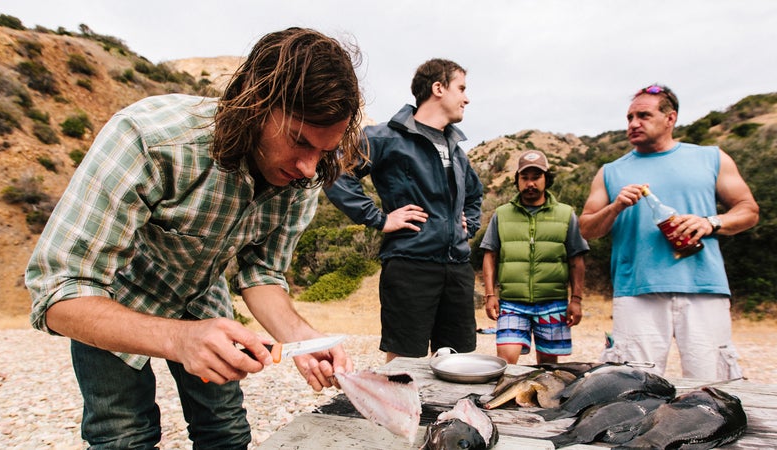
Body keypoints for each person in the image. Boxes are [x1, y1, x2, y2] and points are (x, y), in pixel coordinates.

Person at [25, 27, 363, 448]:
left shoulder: (301, 176)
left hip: (201, 295)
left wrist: (304, 340)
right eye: (299, 141)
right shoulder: (149, 138)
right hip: (109, 300)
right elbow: (58, 292)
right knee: (124, 436)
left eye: (324, 151)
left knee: (226, 431)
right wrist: (178, 339)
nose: (310, 168)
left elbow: (262, 274)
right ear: (256, 106)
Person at [579, 84, 759, 381]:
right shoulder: (610, 171)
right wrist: (614, 208)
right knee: (631, 385)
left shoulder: (711, 158)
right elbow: (586, 228)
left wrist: (710, 222)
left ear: (670, 118)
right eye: (629, 117)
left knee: (713, 384)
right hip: (637, 292)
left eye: (644, 115)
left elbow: (748, 210)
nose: (634, 123)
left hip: (704, 288)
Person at [324, 58, 483, 363]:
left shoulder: (457, 151)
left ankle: (449, 413)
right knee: (404, 361)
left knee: (457, 360)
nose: (466, 97)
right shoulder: (385, 137)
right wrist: (380, 220)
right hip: (410, 265)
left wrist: (469, 224)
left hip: (458, 268)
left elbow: (475, 195)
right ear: (438, 87)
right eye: (461, 88)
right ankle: (398, 412)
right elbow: (337, 172)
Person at [480, 150, 589, 365]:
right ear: (517, 181)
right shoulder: (501, 214)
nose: (530, 183)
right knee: (506, 363)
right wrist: (490, 295)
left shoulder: (566, 214)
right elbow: (489, 255)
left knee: (547, 367)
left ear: (546, 179)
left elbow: (576, 260)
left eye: (536, 177)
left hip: (553, 302)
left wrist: (576, 300)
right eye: (525, 177)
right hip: (512, 302)